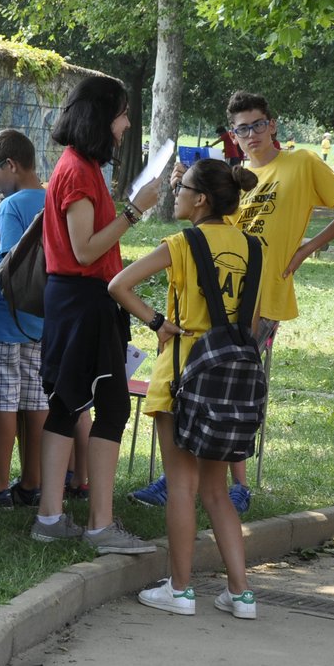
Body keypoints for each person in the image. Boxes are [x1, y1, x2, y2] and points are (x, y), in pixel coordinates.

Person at [134, 91, 334, 513]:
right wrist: (186, 186)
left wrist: (306, 248)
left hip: (264, 299)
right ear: (233, 134)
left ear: (273, 124)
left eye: (258, 124)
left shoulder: (303, 163)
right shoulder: (236, 176)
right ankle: (197, 480)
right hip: (221, 299)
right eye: (242, 128)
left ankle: (210, 484)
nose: (252, 134)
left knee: (226, 385)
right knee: (203, 384)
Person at [110, 159, 263, 617]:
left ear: (202, 200)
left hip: (183, 372)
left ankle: (179, 590)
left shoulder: (180, 243)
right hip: (229, 375)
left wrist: (158, 322)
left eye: (183, 187)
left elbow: (119, 284)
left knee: (181, 485)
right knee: (216, 490)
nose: (176, 191)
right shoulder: (254, 246)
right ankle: (241, 594)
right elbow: (253, 322)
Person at [31, 75, 161, 555]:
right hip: (83, 301)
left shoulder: (79, 166)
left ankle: (51, 517)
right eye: (122, 113)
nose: (127, 124)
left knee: (69, 404)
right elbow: (85, 250)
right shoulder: (79, 171)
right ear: (101, 118)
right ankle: (100, 527)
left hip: (78, 300)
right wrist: (133, 211)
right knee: (109, 407)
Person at [0, 130, 48, 507]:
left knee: (3, 404)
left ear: (12, 166)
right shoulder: (56, 198)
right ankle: (33, 483)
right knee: (36, 403)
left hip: (5, 318)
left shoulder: (12, 205)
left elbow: (9, 262)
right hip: (41, 319)